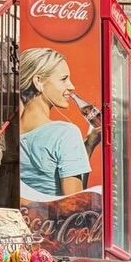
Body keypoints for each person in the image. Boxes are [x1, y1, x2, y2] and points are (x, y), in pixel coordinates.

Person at [19, 48, 99, 198]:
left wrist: (88, 146)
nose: (71, 86)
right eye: (63, 79)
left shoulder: (10, 133)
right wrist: (89, 147)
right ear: (38, 81)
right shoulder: (65, 133)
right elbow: (75, 202)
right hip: (50, 214)